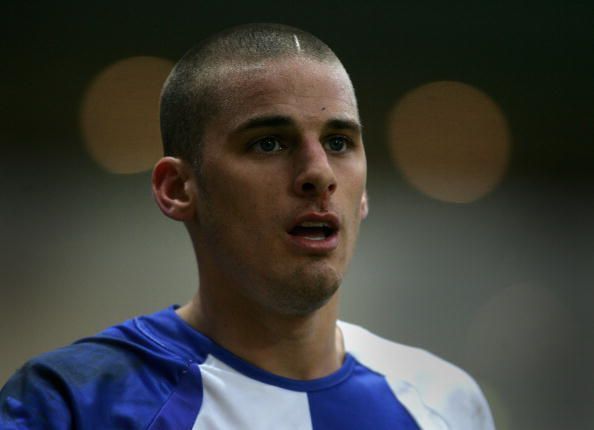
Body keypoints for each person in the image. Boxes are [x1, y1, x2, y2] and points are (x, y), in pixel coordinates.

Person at [0, 23, 495, 429]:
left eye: (340, 142)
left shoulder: (446, 404)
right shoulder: (74, 404)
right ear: (176, 188)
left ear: (363, 193)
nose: (319, 174)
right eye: (269, 144)